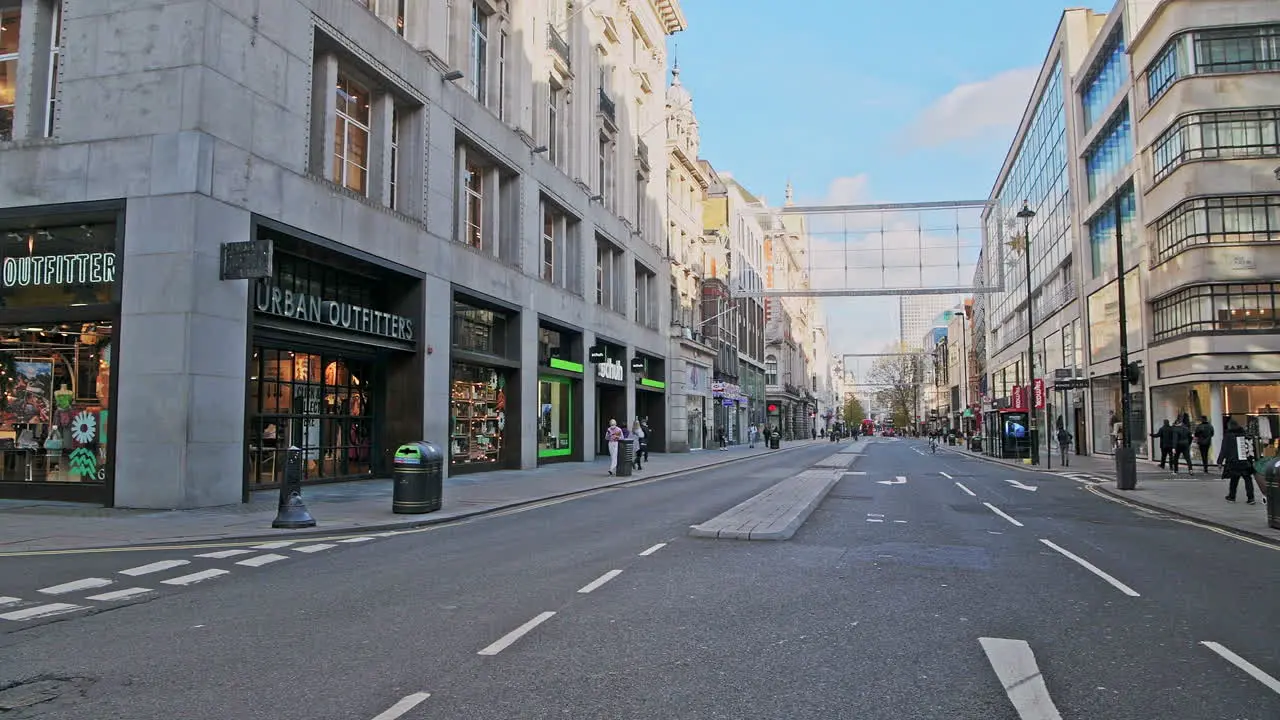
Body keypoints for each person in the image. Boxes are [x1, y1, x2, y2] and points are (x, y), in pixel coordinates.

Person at [1217, 420, 1256, 504]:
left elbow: (1224, 449)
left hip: (1234, 461)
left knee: (1234, 479)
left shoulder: (1228, 436)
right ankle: (1251, 498)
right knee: (1248, 479)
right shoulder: (1245, 435)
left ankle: (1232, 497)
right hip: (1245, 461)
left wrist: (1219, 461)